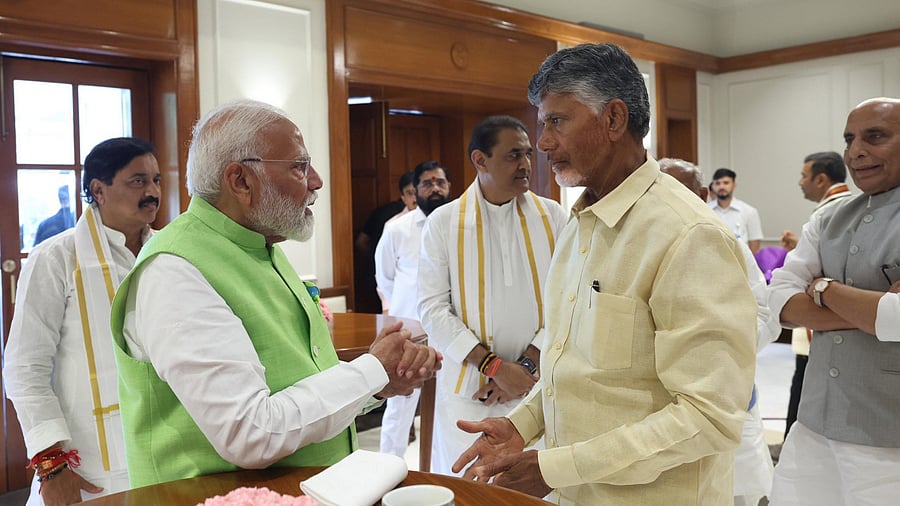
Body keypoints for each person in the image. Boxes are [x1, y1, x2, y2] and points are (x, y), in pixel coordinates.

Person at [453, 43, 757, 505]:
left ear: (614, 119)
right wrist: (522, 425)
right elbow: (572, 367)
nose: (544, 142)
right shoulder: (578, 225)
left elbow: (709, 416)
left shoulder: (686, 234)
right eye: (542, 124)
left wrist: (557, 467)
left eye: (557, 120)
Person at [109, 100, 441, 488]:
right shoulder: (174, 270)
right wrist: (371, 369)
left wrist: (376, 384)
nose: (316, 181)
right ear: (241, 180)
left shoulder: (265, 249)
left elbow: (302, 381)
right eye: (300, 167)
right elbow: (250, 432)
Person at [3, 137, 161, 505]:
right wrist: (52, 465)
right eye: (138, 181)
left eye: (156, 181)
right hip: (87, 466)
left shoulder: (167, 251)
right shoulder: (56, 258)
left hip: (165, 452)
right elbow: (24, 368)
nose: (152, 192)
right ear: (98, 190)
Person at [767, 97, 900, 505]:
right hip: (812, 426)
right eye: (849, 139)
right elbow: (779, 302)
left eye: (874, 137)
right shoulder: (829, 217)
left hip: (888, 440)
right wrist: (870, 311)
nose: (855, 151)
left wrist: (824, 289)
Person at [418, 115, 567, 476]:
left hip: (537, 385)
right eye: (513, 156)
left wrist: (526, 366)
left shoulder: (554, 217)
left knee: (531, 489)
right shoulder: (444, 222)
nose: (526, 165)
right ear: (480, 160)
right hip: (472, 390)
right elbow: (431, 308)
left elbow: (568, 300)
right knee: (472, 488)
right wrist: (495, 367)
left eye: (528, 154)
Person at [660, 158, 781, 506]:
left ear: (701, 194)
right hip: (662, 401)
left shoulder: (728, 242)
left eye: (676, 189)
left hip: (726, 390)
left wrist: (718, 357)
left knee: (737, 489)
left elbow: (765, 314)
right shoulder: (639, 243)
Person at [375, 161, 452, 458]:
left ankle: (439, 468)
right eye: (427, 183)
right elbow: (385, 277)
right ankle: (386, 469)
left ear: (449, 187)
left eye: (440, 182)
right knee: (400, 403)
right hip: (410, 330)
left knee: (447, 401)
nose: (435, 188)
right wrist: (403, 312)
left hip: (449, 330)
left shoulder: (458, 225)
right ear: (414, 190)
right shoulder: (396, 229)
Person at [778, 151, 853, 442]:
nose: (800, 182)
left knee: (804, 384)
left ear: (821, 179)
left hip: (823, 318)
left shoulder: (829, 211)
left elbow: (832, 272)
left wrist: (817, 284)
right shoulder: (845, 206)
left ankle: (792, 441)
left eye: (804, 176)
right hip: (835, 315)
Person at [356, 173, 416, 313]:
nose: (415, 198)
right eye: (410, 193)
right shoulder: (393, 226)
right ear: (403, 198)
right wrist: (387, 306)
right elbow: (384, 275)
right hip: (402, 305)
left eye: (418, 192)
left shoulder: (437, 221)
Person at [710, 167, 764, 254]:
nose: (721, 186)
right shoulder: (706, 210)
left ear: (734, 185)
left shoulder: (749, 211)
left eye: (726, 183)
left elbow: (755, 245)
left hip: (742, 264)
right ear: (712, 186)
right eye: (717, 183)